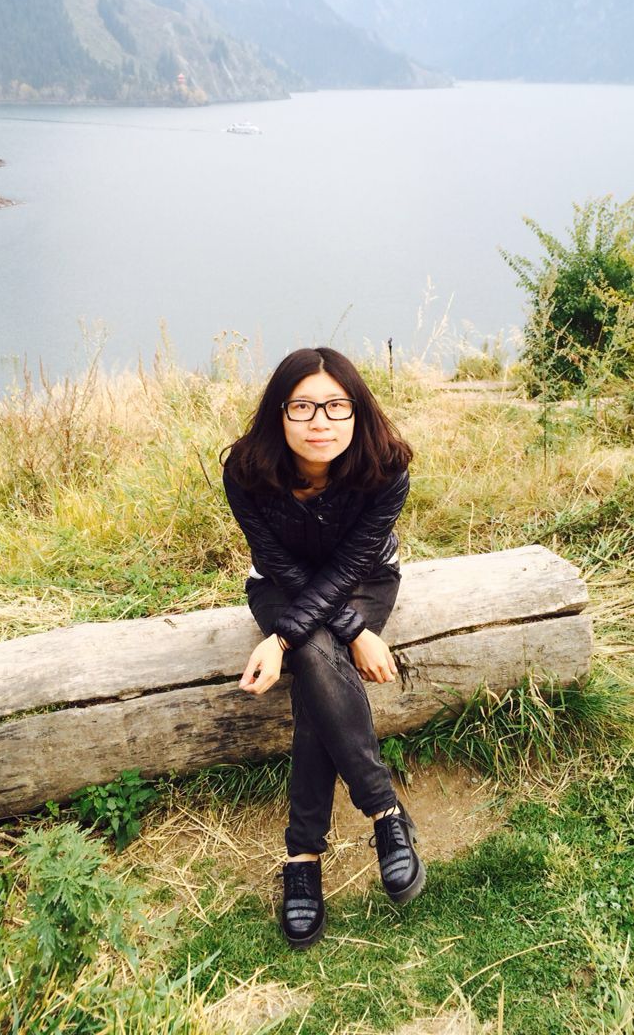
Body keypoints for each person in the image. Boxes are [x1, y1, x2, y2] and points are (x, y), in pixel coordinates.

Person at [222, 346, 424, 950]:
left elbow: (351, 565)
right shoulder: (246, 471)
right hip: (279, 585)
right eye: (303, 407)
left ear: (356, 411)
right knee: (315, 649)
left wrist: (297, 635)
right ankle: (385, 812)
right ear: (279, 412)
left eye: (337, 406)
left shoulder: (386, 467)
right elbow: (277, 562)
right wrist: (344, 632)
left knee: (311, 654)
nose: (320, 422)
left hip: (363, 581)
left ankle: (302, 856)